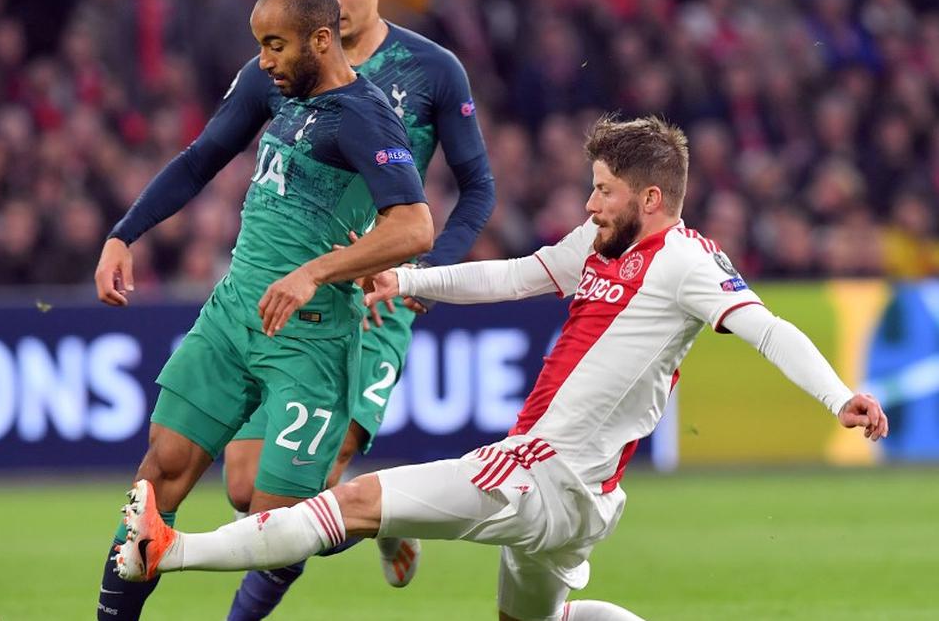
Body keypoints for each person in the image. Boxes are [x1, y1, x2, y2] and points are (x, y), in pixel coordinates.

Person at [113, 116, 890, 621]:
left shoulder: (684, 264)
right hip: (583, 497)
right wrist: (407, 280)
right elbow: (515, 275)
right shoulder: (600, 246)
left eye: (603, 191)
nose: (589, 205)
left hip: (542, 473)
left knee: (352, 503)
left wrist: (837, 396)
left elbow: (765, 329)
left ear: (651, 198)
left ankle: (168, 549)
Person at [91, 0, 433, 621]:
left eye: (276, 45)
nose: (264, 59)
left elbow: (414, 226)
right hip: (232, 314)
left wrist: (317, 271)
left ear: (322, 40)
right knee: (157, 478)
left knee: (277, 531)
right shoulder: (267, 83)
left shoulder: (364, 117)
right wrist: (122, 234)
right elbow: (200, 159)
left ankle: (377, 512)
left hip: (310, 337)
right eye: (261, 45)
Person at [224, 0, 494, 615]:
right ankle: (386, 514)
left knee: (322, 469)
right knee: (246, 488)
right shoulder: (285, 65)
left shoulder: (432, 70)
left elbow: (478, 187)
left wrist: (426, 275)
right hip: (293, 295)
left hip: (374, 299)